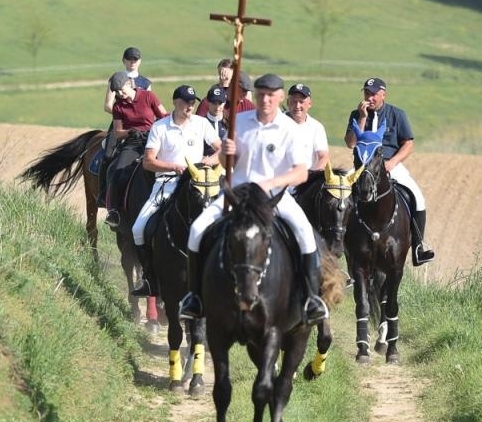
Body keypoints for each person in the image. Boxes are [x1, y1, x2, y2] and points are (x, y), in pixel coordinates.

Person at [179, 73, 329, 324]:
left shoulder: (290, 129)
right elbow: (230, 164)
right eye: (261, 94)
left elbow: (301, 172)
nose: (266, 100)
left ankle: (311, 299)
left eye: (271, 95)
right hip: (237, 195)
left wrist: (272, 182)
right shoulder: (240, 121)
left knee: (305, 234)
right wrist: (226, 155)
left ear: (280, 97)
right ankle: (195, 297)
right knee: (196, 229)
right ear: (254, 96)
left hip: (274, 197)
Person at [129, 85, 220, 297]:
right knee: (138, 229)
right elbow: (148, 162)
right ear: (175, 102)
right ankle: (150, 279)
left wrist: (210, 160)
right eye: (186, 102)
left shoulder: (201, 123)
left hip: (196, 185)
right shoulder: (160, 127)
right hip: (168, 183)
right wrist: (174, 167)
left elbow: (221, 148)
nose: (190, 106)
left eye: (192, 102)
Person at [345, 76, 435, 265]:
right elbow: (351, 143)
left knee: (418, 197)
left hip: (389, 164)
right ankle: (338, 248)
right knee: (339, 194)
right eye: (366, 93)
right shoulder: (356, 114)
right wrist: (362, 118)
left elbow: (408, 144)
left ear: (383, 95)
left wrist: (392, 162)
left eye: (373, 94)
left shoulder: (397, 114)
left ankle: (418, 247)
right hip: (362, 166)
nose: (369, 97)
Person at [102, 70, 165, 229]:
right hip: (132, 142)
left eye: (122, 89)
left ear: (129, 84)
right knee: (117, 171)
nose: (120, 94)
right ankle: (114, 212)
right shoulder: (118, 106)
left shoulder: (148, 97)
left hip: (153, 140)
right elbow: (117, 132)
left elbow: (164, 115)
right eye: (116, 92)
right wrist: (130, 132)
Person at [286, 83, 331, 174]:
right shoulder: (277, 124)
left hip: (305, 183)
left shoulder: (316, 127)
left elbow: (323, 157)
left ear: (310, 104)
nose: (297, 106)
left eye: (301, 102)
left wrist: (312, 177)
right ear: (287, 102)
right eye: (294, 101)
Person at [103, 47, 151, 117]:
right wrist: (124, 117)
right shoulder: (115, 79)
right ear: (123, 60)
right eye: (129, 59)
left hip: (140, 123)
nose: (132, 62)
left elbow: (148, 106)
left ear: (140, 61)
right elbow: (107, 106)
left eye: (135, 59)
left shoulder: (146, 83)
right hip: (120, 121)